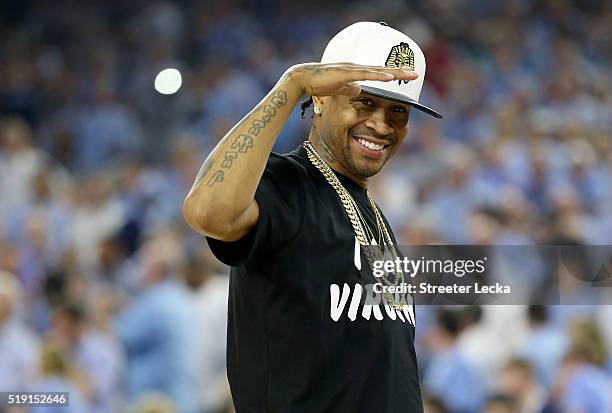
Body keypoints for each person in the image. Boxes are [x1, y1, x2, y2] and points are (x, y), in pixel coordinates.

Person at [183, 21, 442, 413]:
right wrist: (292, 86)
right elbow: (207, 212)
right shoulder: (287, 184)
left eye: (398, 112)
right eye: (365, 102)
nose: (381, 124)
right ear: (320, 99)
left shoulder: (372, 214)